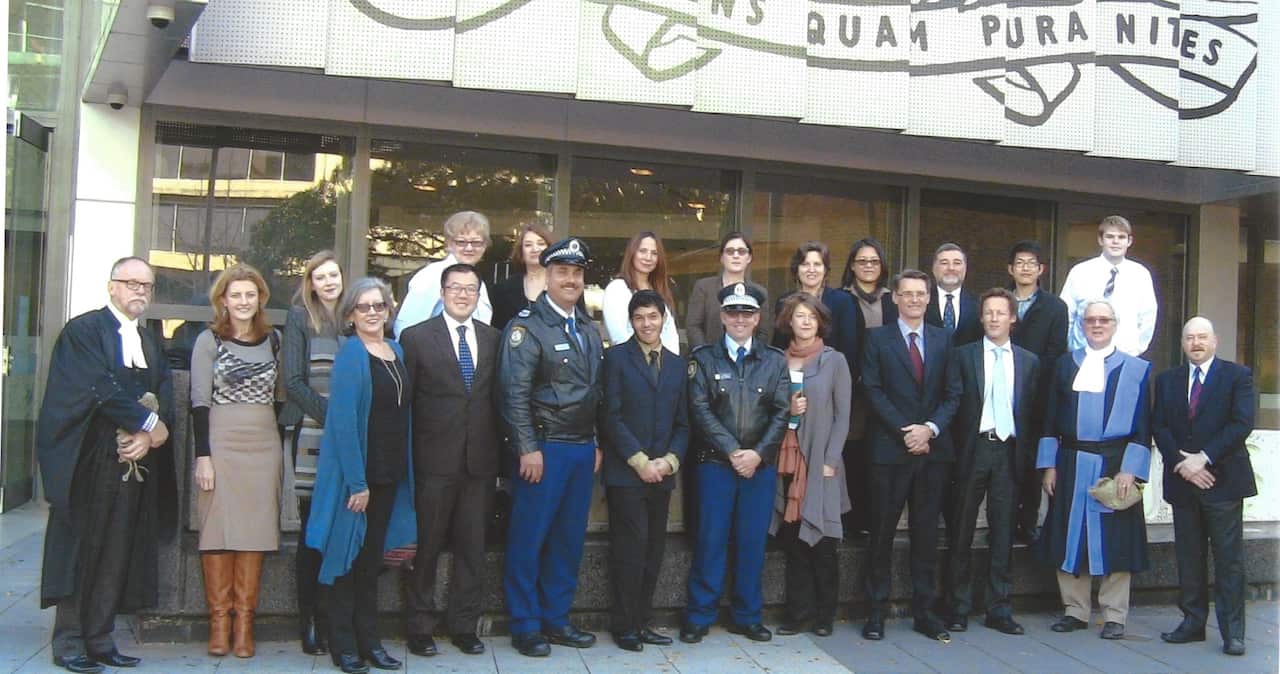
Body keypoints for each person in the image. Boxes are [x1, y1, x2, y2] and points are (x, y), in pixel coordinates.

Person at [38, 257, 173, 674]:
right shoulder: (84, 330)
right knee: (84, 546)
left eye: (147, 286)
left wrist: (148, 437)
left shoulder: (150, 341)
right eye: (131, 283)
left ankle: (100, 637)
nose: (139, 291)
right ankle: (70, 640)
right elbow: (99, 387)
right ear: (111, 286)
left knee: (117, 548)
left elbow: (163, 388)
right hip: (88, 457)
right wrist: (150, 425)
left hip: (132, 460)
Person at [499, 237, 605, 657]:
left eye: (577, 273)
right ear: (547, 275)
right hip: (543, 449)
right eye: (563, 272)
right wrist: (526, 448)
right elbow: (513, 395)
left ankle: (556, 618)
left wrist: (595, 442)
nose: (571, 280)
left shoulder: (588, 327)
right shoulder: (527, 326)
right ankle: (525, 623)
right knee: (529, 538)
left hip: (580, 450)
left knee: (567, 540)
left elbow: (595, 392)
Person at [306, 278, 417, 674]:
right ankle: (344, 646)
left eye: (379, 306)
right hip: (359, 479)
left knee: (371, 564)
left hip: (389, 474)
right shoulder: (352, 356)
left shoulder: (397, 350)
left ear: (389, 310)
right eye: (364, 307)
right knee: (346, 561)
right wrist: (357, 483)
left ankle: (371, 642)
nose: (373, 312)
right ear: (351, 315)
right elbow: (343, 425)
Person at [681, 283, 790, 645]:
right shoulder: (704, 358)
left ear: (757, 318)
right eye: (732, 312)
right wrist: (732, 451)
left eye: (747, 313)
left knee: (751, 543)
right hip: (716, 464)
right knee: (710, 540)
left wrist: (757, 453)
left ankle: (747, 616)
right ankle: (699, 615)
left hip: (758, 467)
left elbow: (781, 410)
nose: (739, 319)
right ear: (723, 317)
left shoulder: (774, 360)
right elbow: (700, 410)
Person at [402, 263, 501, 658]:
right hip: (431, 462)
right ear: (442, 292)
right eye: (455, 288)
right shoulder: (415, 338)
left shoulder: (493, 339)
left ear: (479, 295)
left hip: (480, 462)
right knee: (425, 549)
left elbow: (497, 400)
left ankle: (464, 625)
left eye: (470, 289)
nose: (463, 295)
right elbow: (406, 405)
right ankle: (420, 626)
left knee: (472, 549)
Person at [1038, 299, 1152, 641]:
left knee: (1116, 538)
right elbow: (1048, 417)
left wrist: (1131, 469)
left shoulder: (1137, 369)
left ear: (1115, 324)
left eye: (1104, 320)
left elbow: (1144, 425)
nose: (1097, 325)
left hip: (1115, 463)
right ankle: (1075, 610)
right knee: (1069, 535)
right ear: (1082, 325)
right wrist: (1048, 465)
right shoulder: (1064, 364)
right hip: (1071, 460)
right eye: (1091, 320)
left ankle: (1115, 615)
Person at [860, 269, 960, 643]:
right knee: (881, 534)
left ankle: (925, 612)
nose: (915, 299)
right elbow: (871, 389)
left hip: (932, 453)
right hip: (890, 450)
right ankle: (875, 612)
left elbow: (953, 393)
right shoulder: (877, 339)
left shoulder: (944, 339)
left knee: (926, 535)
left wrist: (929, 429)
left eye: (921, 293)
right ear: (896, 299)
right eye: (907, 293)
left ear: (929, 298)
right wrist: (906, 430)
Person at [190, 263, 284, 659]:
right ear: (223, 300)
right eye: (235, 295)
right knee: (217, 530)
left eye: (250, 294)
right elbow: (198, 401)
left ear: (260, 298)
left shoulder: (275, 340)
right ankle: (219, 622)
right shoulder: (208, 340)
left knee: (256, 531)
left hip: (263, 445)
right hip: (221, 443)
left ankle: (245, 624)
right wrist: (203, 456)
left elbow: (280, 398)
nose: (243, 302)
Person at [1154, 317, 1255, 657]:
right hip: (1184, 482)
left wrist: (1204, 458)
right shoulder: (1168, 379)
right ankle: (1192, 623)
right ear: (1182, 343)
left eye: (1202, 337)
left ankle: (1233, 632)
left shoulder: (1237, 376)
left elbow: (1242, 423)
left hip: (1223, 482)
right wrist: (1184, 464)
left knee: (1229, 561)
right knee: (1189, 557)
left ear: (1215, 340)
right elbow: (1159, 425)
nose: (1196, 343)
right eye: (1189, 337)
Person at [942, 288, 1040, 636]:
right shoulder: (963, 356)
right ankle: (957, 606)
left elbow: (1032, 413)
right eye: (989, 312)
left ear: (1013, 318)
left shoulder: (1029, 361)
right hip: (974, 449)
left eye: (1002, 312)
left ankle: (999, 608)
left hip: (1009, 451)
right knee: (961, 531)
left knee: (1002, 533)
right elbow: (953, 406)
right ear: (981, 318)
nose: (995, 318)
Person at [600, 290, 689, 652]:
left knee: (654, 551)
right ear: (631, 321)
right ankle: (625, 625)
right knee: (630, 550)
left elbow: (685, 423)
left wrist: (669, 461)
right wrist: (639, 461)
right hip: (627, 473)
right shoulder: (615, 359)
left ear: (664, 319)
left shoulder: (678, 364)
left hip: (662, 475)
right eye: (640, 318)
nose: (647, 324)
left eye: (653, 317)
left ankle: (644, 620)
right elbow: (610, 416)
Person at [769, 294, 851, 638]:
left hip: (820, 461)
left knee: (822, 540)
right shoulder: (777, 360)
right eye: (799, 316)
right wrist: (790, 410)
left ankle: (824, 615)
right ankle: (796, 613)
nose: (805, 322)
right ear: (789, 321)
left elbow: (843, 414)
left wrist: (831, 460)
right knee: (795, 543)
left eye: (811, 317)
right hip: (785, 460)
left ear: (820, 323)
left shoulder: (835, 361)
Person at [280, 250, 345, 656]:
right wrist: (332, 417)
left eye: (333, 274)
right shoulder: (299, 318)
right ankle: (310, 623)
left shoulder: (356, 316)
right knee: (313, 533)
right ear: (310, 282)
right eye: (319, 276)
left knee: (343, 531)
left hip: (352, 437)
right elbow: (294, 381)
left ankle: (335, 618)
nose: (328, 282)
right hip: (313, 436)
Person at [1006, 241, 1068, 543]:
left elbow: (1056, 353)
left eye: (1031, 263)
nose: (1025, 268)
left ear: (1041, 269)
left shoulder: (1055, 307)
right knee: (1004, 464)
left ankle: (1027, 523)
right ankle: (1003, 524)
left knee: (1032, 463)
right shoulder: (1000, 303)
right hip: (1001, 396)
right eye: (1019, 263)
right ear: (1011, 269)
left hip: (1038, 397)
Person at [840, 237, 897, 537]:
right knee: (854, 452)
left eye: (874, 261)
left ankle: (878, 520)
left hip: (888, 389)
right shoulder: (841, 298)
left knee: (881, 453)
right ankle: (854, 519)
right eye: (862, 261)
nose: (868, 266)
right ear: (852, 266)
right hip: (853, 391)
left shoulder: (893, 299)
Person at [1060, 215, 1157, 356]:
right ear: (1100, 240)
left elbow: (1148, 317)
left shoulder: (1141, 275)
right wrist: (1073, 348)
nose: (1115, 242)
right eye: (1110, 237)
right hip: (1083, 353)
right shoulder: (1080, 272)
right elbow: (1066, 314)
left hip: (1126, 354)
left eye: (1121, 237)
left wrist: (1135, 350)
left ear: (1129, 241)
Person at [773, 241, 863, 386]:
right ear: (797, 269)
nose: (811, 269)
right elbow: (778, 348)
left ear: (825, 269)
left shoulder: (843, 301)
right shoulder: (784, 302)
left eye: (817, 264)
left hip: (830, 385)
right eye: (805, 264)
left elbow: (850, 351)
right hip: (789, 382)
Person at [393, 210, 493, 336]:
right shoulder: (431, 276)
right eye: (461, 242)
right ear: (449, 243)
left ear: (485, 245)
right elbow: (407, 328)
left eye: (476, 242)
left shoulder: (478, 282)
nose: (469, 248)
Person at [687, 232, 771, 347]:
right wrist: (706, 357)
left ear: (749, 258)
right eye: (730, 251)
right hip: (708, 360)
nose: (736, 256)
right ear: (721, 257)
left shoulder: (760, 292)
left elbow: (763, 333)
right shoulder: (703, 287)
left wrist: (753, 359)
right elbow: (693, 327)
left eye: (741, 251)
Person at [602, 231, 680, 353]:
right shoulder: (617, 289)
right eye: (642, 251)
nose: (648, 257)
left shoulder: (660, 290)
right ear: (632, 253)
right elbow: (619, 336)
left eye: (654, 253)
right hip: (630, 365)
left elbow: (670, 335)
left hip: (663, 366)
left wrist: (670, 365)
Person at [491, 222, 553, 330]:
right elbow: (497, 330)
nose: (535, 249)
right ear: (521, 252)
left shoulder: (565, 284)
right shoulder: (504, 289)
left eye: (541, 243)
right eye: (528, 245)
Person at [926, 243, 982, 346]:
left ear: (965, 268)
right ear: (934, 268)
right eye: (944, 263)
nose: (951, 268)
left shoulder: (979, 303)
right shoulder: (921, 301)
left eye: (957, 263)